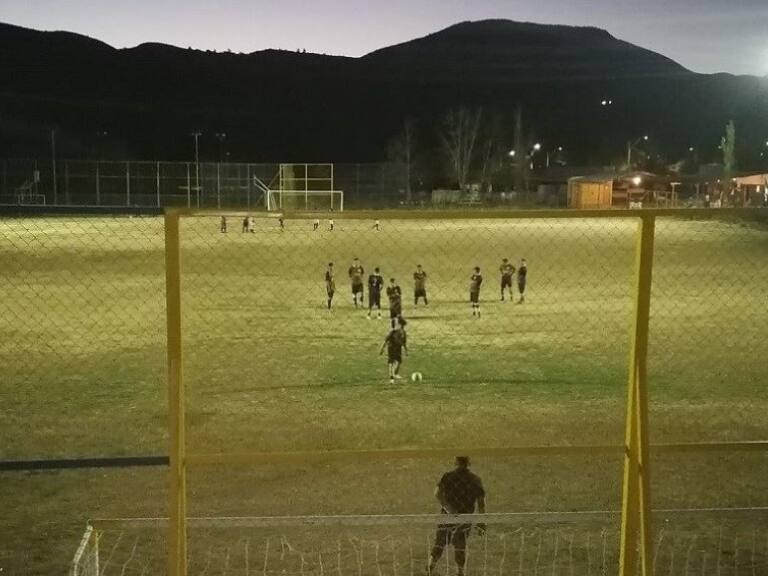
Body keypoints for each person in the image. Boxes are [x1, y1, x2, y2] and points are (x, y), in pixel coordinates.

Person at [427, 457, 486, 576]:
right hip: (465, 517)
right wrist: (482, 522)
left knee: (439, 544)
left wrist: (448, 508)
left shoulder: (448, 476)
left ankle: (430, 568)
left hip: (448, 516)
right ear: (468, 463)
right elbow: (481, 503)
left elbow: (437, 493)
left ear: (456, 462)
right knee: (460, 545)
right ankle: (460, 572)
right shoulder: (475, 480)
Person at [379, 317, 407, 384]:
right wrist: (382, 349)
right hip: (391, 348)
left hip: (398, 348)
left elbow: (404, 342)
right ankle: (391, 377)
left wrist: (406, 350)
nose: (401, 327)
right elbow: (386, 341)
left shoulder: (403, 333)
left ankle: (395, 374)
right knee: (391, 362)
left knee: (399, 361)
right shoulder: (392, 332)